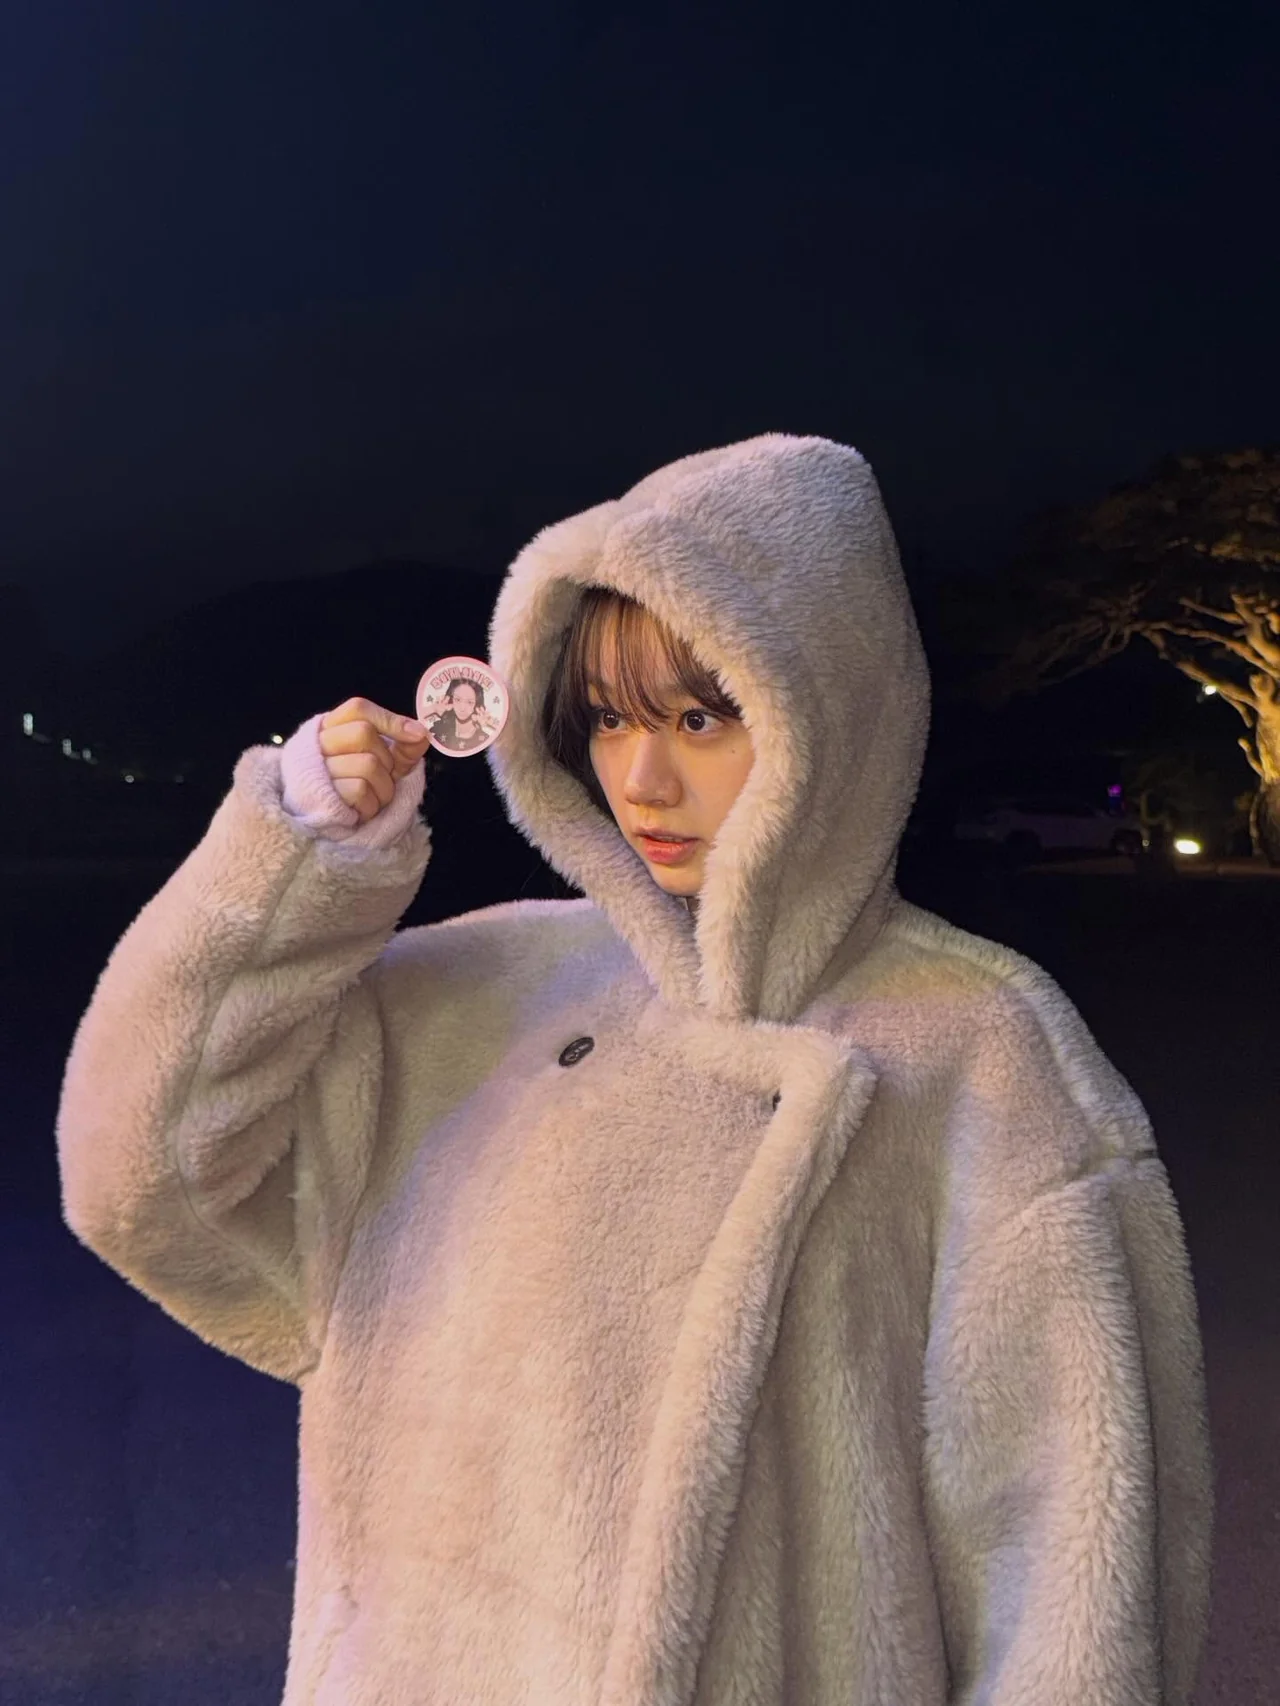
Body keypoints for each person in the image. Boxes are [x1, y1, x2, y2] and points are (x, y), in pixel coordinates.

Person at [56, 434, 1212, 1705]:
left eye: (700, 718)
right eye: (608, 718)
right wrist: (292, 861)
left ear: (826, 713)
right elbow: (145, 1174)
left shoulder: (978, 1048)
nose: (641, 777)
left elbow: (1071, 1580)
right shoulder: (479, 991)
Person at [427, 676, 495, 752]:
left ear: (477, 704)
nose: (462, 708)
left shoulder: (484, 739)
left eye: (469, 702)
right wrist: (432, 709)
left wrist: (490, 724)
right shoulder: (440, 734)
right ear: (451, 700)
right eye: (457, 699)